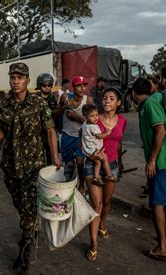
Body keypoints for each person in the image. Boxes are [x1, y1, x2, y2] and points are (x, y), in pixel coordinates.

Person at [0, 62, 61, 273]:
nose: (15, 81)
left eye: (20, 77)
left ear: (28, 80)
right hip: (10, 165)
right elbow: (2, 132)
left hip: (33, 165)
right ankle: (30, 226)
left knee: (28, 208)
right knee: (19, 204)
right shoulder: (5, 104)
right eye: (12, 77)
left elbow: (50, 131)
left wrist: (55, 155)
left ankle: (24, 253)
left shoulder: (38, 103)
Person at [132, 78, 166, 260]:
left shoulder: (149, 105)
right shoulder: (149, 105)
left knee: (157, 204)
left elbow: (160, 131)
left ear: (133, 93)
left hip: (163, 162)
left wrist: (152, 160)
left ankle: (162, 247)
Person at [83, 88, 126, 262]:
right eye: (105, 98)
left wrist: (120, 162)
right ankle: (93, 244)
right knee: (97, 204)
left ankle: (102, 222)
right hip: (91, 164)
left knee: (107, 202)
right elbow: (82, 142)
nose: (107, 101)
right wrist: (90, 155)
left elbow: (118, 142)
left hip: (112, 165)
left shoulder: (122, 120)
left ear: (119, 103)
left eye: (112, 98)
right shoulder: (92, 118)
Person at [54, 76, 92, 192]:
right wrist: (63, 108)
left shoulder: (88, 101)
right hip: (67, 136)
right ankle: (69, 187)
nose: (82, 88)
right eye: (78, 86)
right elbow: (55, 113)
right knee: (69, 164)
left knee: (80, 163)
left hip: (81, 138)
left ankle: (81, 185)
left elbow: (94, 123)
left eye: (84, 85)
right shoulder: (66, 97)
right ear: (73, 87)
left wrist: (77, 117)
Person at [81, 104, 115, 186]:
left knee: (98, 163)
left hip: (87, 151)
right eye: (92, 116)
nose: (96, 118)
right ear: (85, 117)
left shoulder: (85, 124)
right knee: (104, 159)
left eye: (96, 115)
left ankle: (96, 178)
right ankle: (109, 175)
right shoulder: (93, 126)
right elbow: (100, 136)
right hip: (95, 150)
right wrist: (107, 132)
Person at [36, 72, 59, 163]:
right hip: (39, 134)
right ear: (39, 86)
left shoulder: (52, 98)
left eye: (49, 85)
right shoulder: (35, 99)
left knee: (51, 157)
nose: (47, 87)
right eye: (44, 85)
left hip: (50, 131)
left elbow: (54, 113)